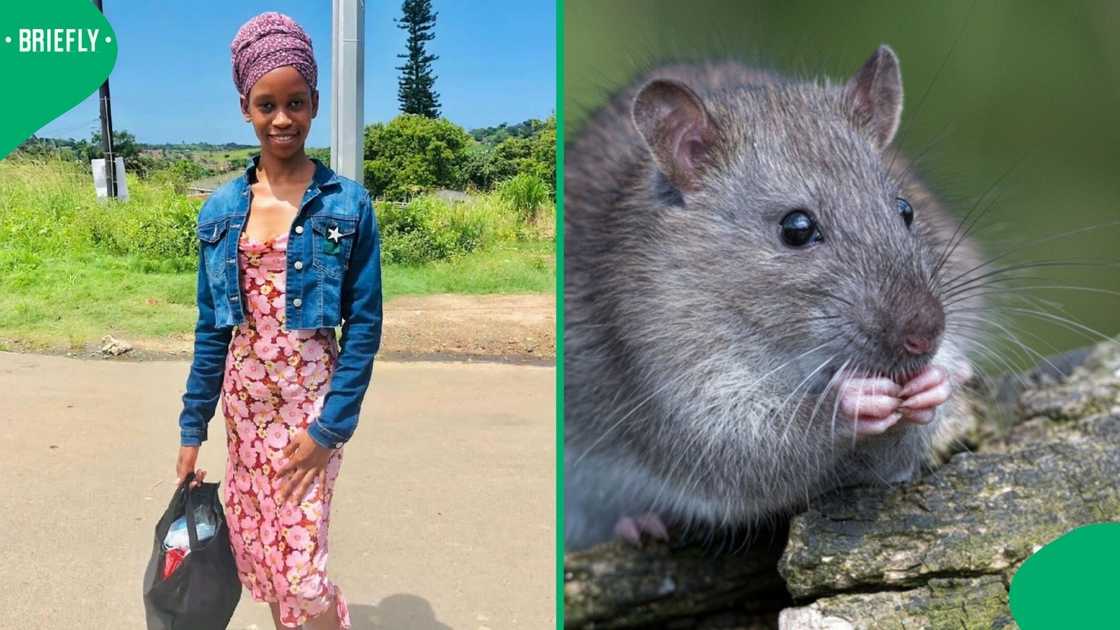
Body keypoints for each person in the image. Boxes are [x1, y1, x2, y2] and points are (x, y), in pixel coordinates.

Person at [174, 12, 382, 630]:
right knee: (261, 557)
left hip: (309, 413)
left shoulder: (347, 204)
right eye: (267, 104)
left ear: (315, 101)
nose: (283, 118)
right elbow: (213, 329)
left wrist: (330, 429)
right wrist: (193, 429)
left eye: (296, 101)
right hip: (245, 411)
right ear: (246, 107)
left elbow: (364, 325)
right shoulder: (219, 211)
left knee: (302, 575)